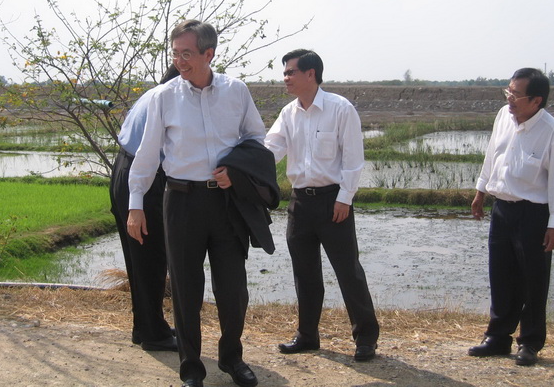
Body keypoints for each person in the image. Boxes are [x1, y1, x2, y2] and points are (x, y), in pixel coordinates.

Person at [127, 20, 276, 387]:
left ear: (209, 54)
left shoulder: (236, 91)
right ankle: (192, 368)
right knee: (185, 290)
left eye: (187, 54)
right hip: (181, 202)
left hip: (226, 203)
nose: (179, 61)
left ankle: (231, 358)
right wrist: (135, 204)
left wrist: (236, 172)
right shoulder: (164, 97)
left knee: (233, 288)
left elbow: (255, 136)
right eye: (175, 53)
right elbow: (147, 154)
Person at [264, 49, 380, 362]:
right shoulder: (288, 113)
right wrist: (240, 164)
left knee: (348, 271)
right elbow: (270, 150)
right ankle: (307, 335)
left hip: (333, 202)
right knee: (305, 273)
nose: (285, 78)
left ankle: (365, 338)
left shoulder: (340, 109)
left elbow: (354, 159)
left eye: (290, 72)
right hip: (300, 203)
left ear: (310, 74)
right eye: (285, 73)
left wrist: (345, 198)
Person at [468, 68, 554, 367]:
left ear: (536, 100)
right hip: (502, 208)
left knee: (534, 280)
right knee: (501, 275)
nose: (509, 99)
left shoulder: (552, 131)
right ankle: (498, 337)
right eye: (508, 92)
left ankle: (530, 342)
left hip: (534, 213)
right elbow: (493, 154)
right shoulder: (504, 116)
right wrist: (481, 191)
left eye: (516, 95)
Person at [109, 66, 179, 352]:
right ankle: (153, 334)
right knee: (151, 256)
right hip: (143, 177)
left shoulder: (151, 95)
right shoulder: (168, 100)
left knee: (138, 258)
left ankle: (145, 326)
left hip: (124, 170)